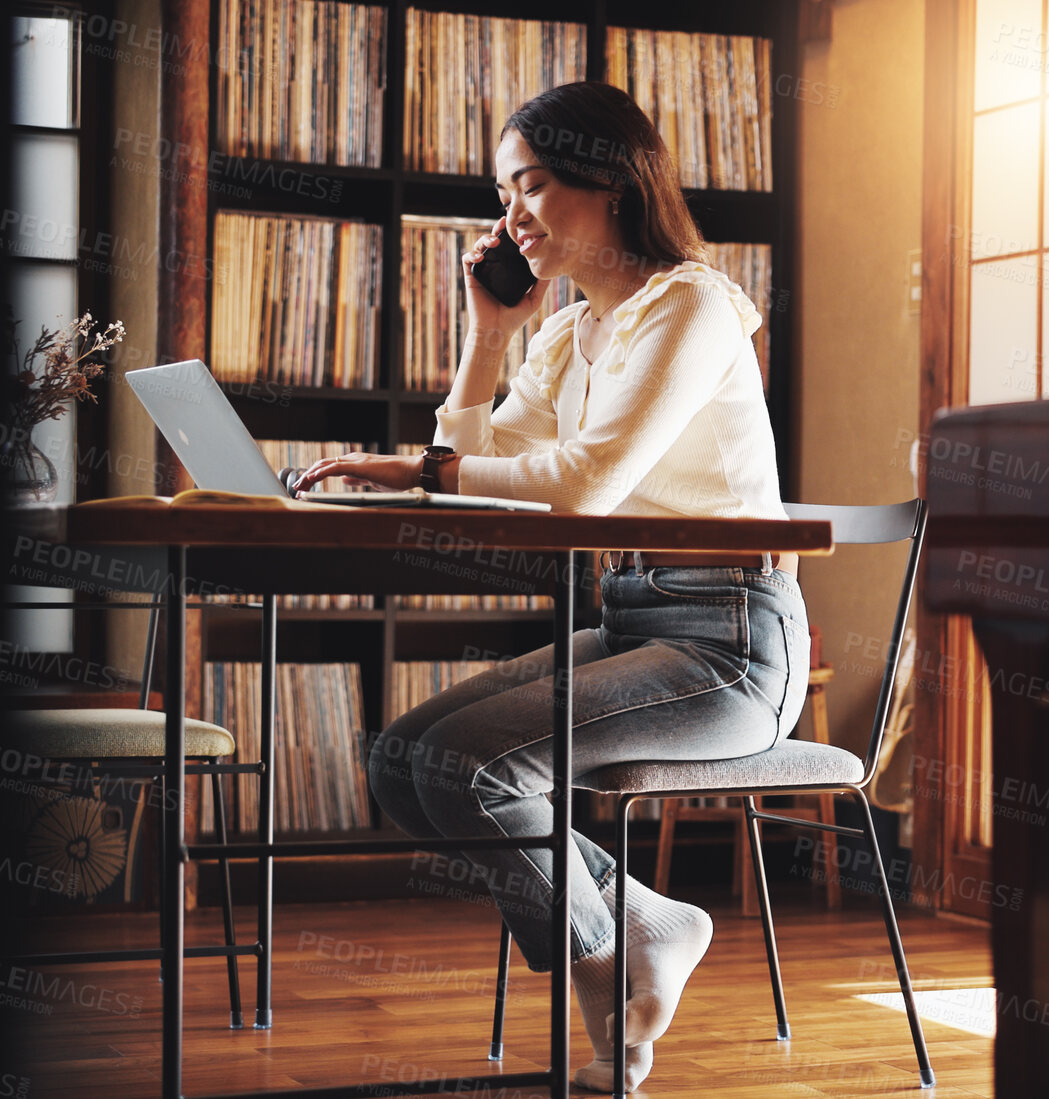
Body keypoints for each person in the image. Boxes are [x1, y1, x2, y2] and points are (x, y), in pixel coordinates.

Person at [288, 81, 811, 1093]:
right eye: (502, 191)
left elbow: (576, 487)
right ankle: (643, 925)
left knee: (472, 771)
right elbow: (468, 476)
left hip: (734, 647)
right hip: (636, 620)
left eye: (528, 185)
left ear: (608, 177)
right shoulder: (570, 335)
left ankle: (609, 967)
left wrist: (425, 470)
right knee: (404, 757)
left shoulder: (690, 304)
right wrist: (487, 335)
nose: (510, 215)